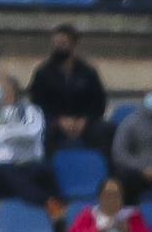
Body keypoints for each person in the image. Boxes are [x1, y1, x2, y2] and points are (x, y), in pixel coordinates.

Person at [0, 76, 57, 209]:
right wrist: (8, 135)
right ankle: (49, 203)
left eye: (2, 89)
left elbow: (33, 133)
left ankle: (41, 203)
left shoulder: (32, 111)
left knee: (42, 172)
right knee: (8, 174)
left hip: (28, 165)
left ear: (13, 92)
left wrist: (1, 133)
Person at [29, 24, 112, 153]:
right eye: (55, 43)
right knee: (45, 132)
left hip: (84, 123)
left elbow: (99, 103)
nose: (58, 47)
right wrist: (58, 120)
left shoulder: (88, 72)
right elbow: (37, 103)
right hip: (54, 122)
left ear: (74, 44)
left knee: (106, 130)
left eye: (63, 43)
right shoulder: (43, 73)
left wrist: (85, 120)